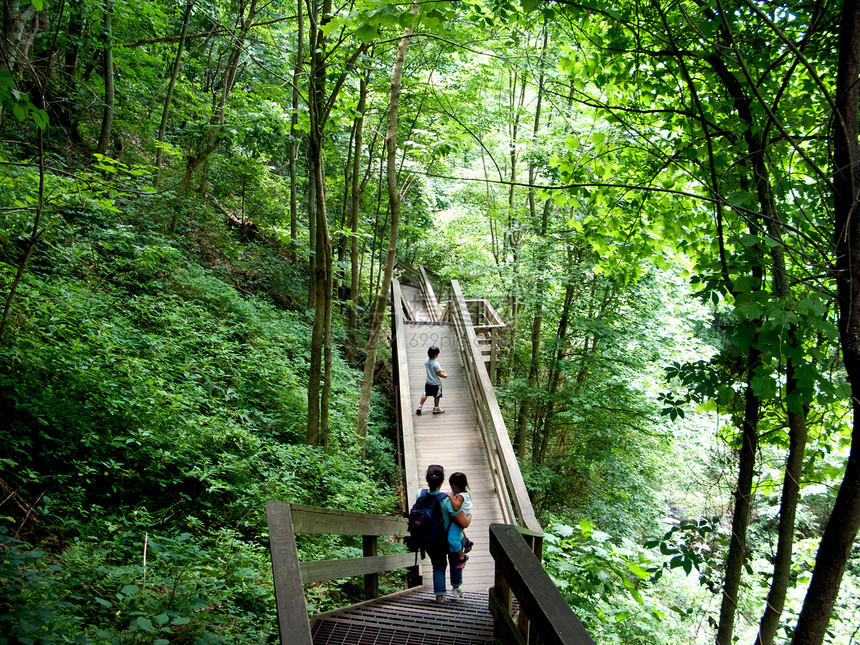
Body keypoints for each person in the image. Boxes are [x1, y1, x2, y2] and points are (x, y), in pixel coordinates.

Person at [418, 464, 471, 602]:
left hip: (430, 540)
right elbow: (463, 522)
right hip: (446, 539)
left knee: (438, 566)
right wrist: (470, 515)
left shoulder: (420, 494)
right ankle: (456, 588)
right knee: (455, 561)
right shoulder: (447, 499)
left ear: (427, 479)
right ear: (442, 481)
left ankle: (440, 597)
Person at [446, 472, 473, 570]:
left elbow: (456, 507)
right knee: (459, 531)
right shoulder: (467, 492)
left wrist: (451, 496)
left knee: (452, 538)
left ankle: (461, 557)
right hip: (465, 515)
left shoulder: (460, 496)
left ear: (454, 486)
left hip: (461, 519)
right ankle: (466, 542)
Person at [416, 346, 447, 415]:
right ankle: (436, 408)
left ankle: (420, 407)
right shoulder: (436, 364)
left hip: (428, 382)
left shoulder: (427, 361)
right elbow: (438, 373)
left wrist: (440, 370)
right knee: (437, 396)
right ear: (435, 355)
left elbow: (431, 369)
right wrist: (444, 376)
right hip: (436, 383)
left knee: (425, 393)